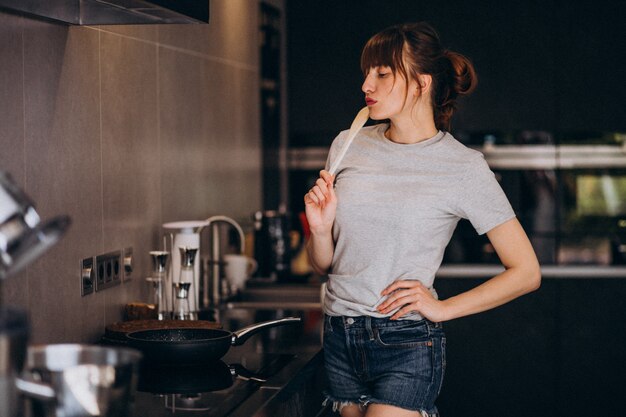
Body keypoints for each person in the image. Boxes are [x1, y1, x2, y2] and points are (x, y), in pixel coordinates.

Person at [304, 22, 541, 417]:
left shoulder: (462, 167)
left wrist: (443, 308)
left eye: (382, 73)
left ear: (420, 84)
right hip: (339, 336)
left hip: (405, 341)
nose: (367, 84)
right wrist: (321, 227)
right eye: (366, 73)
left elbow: (526, 272)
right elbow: (323, 263)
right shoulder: (348, 144)